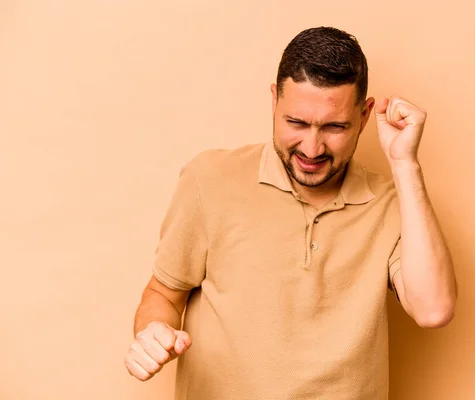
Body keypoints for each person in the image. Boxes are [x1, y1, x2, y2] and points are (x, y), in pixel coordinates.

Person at [124, 26, 457, 399]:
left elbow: (433, 310)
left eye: (335, 127)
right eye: (296, 123)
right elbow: (164, 295)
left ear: (365, 117)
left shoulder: (393, 201)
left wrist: (405, 164)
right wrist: (151, 332)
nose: (312, 148)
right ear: (274, 102)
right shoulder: (210, 179)